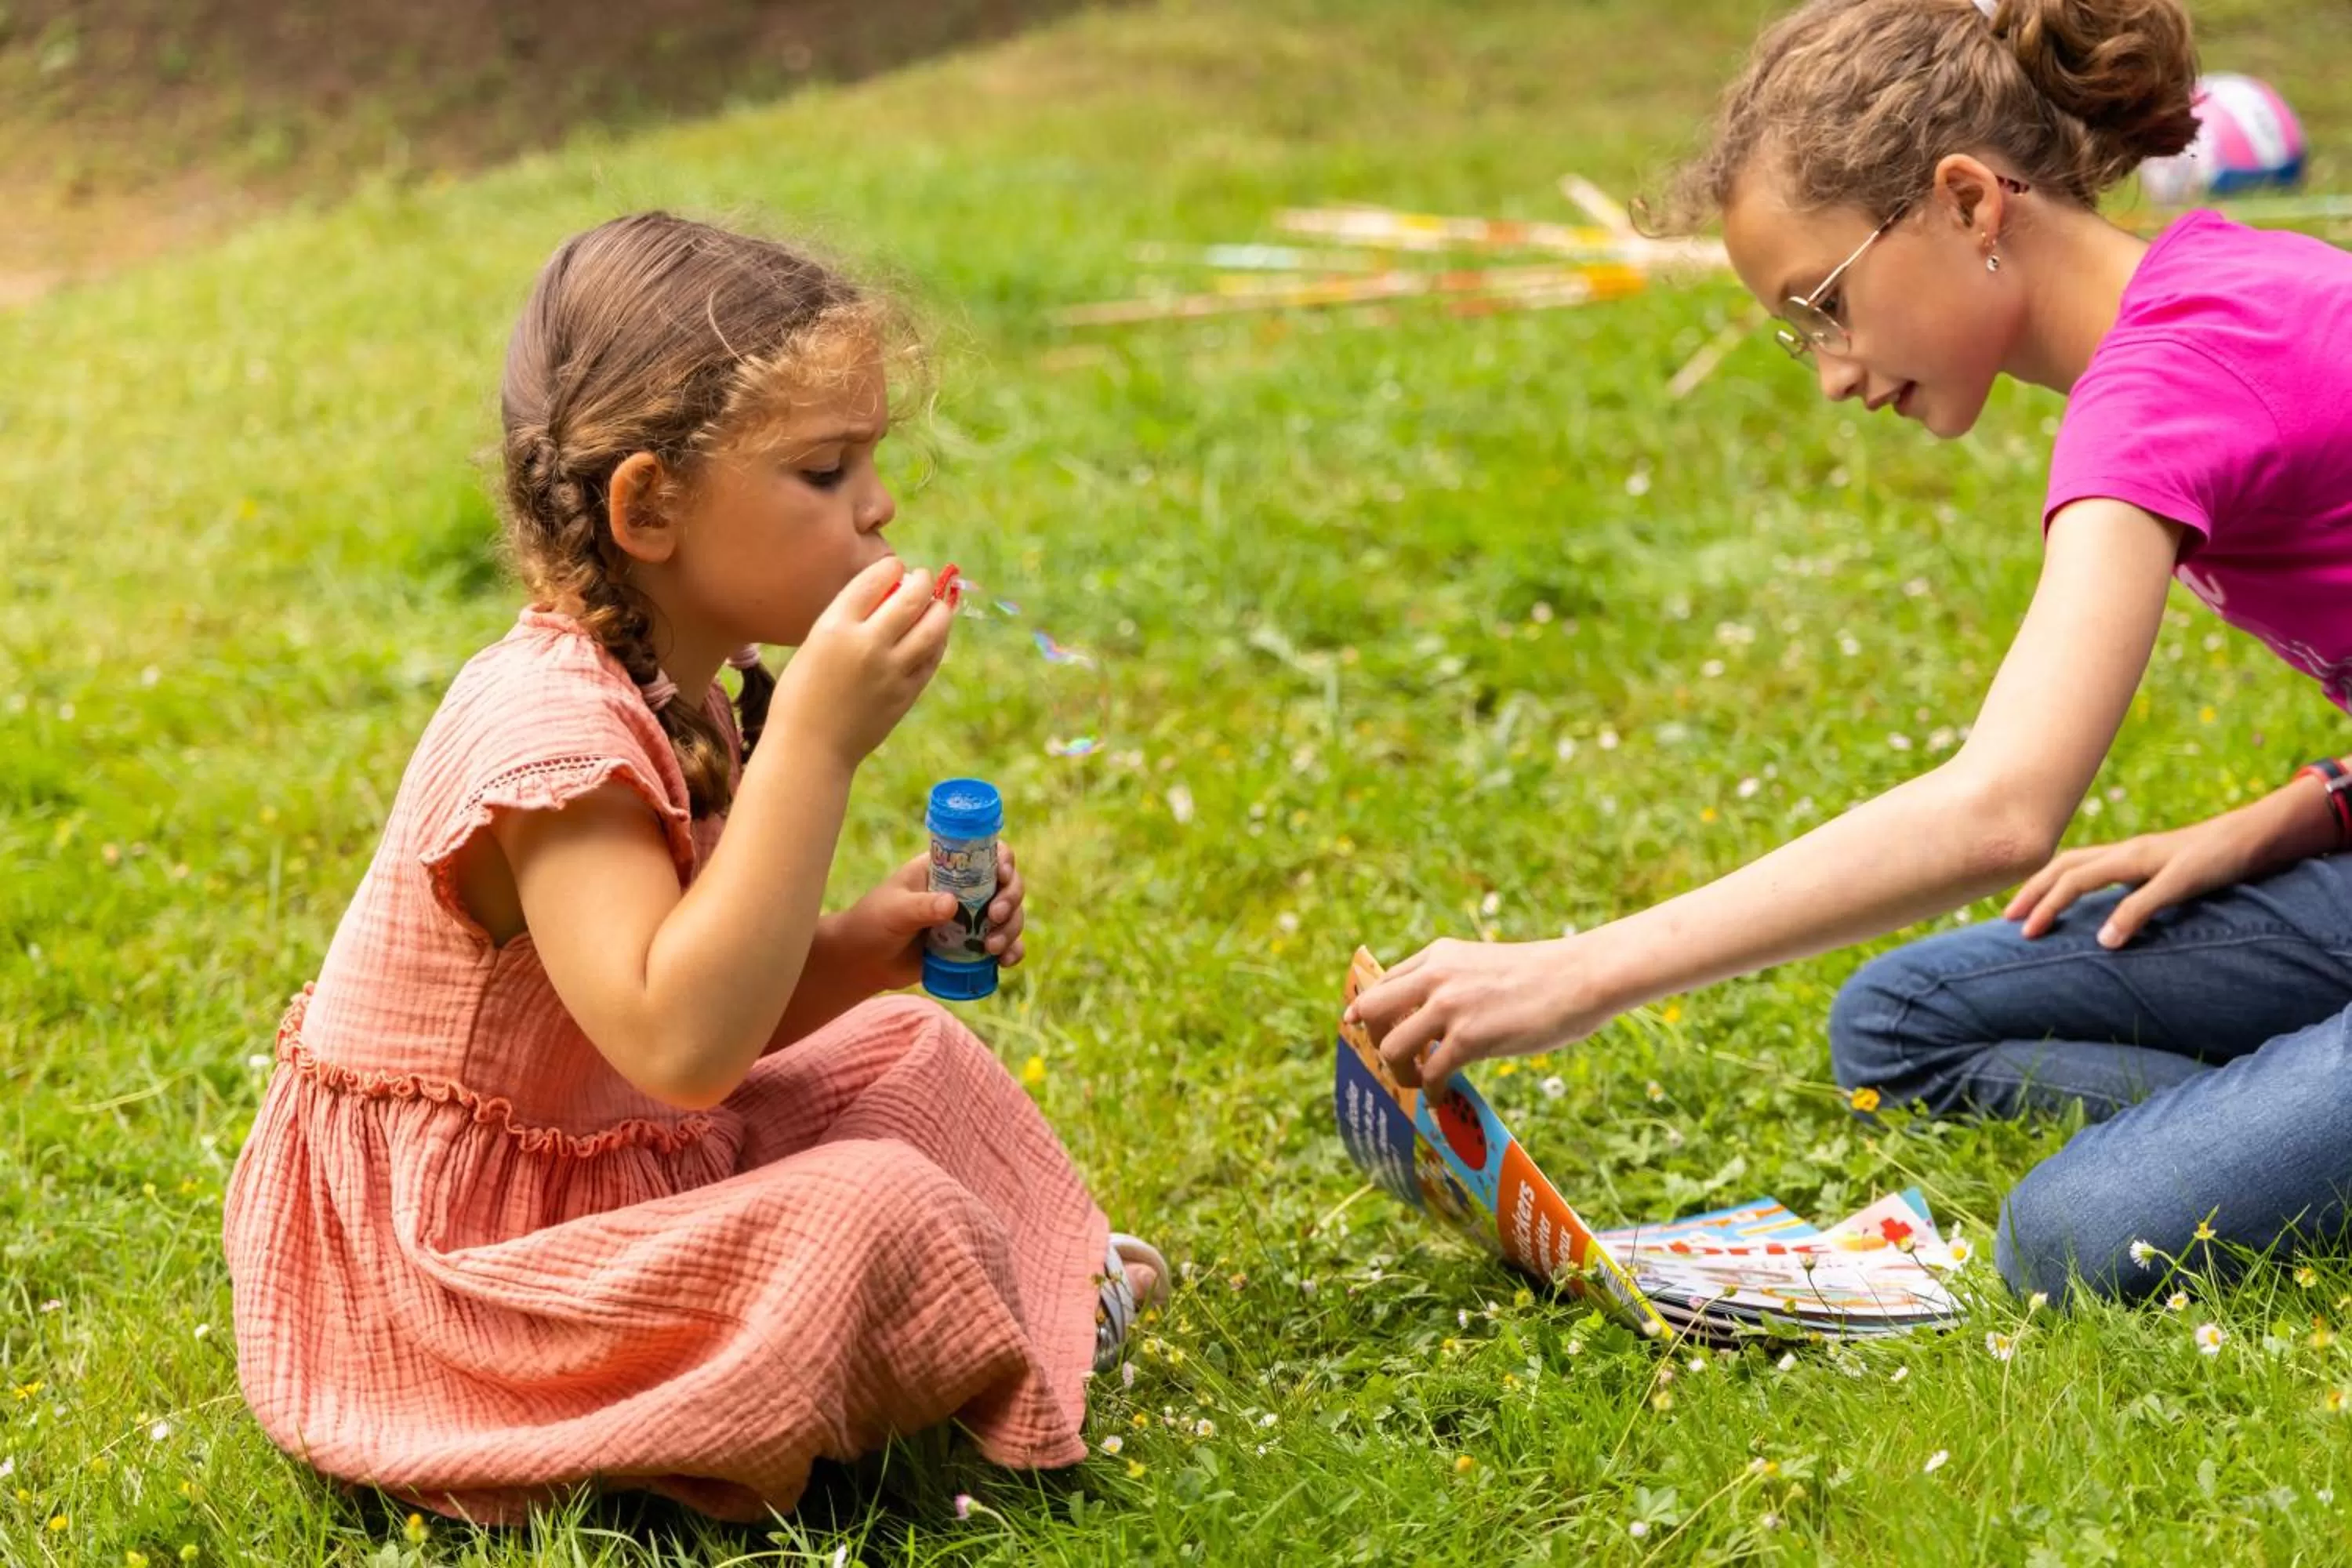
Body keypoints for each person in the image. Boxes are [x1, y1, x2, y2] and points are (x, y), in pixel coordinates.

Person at [1347, 0, 2352, 1306]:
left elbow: (2001, 812)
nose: (1829, 372)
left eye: (1823, 305)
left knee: (2071, 1238)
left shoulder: (2164, 389)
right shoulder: (2218, 282)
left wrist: (1582, 971)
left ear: (1969, 202)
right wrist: (2311, 807)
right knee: (1896, 1025)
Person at [223, 212, 1164, 1523]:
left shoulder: (678, 689)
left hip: (595, 1161)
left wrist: (861, 952)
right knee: (874, 1212)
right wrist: (817, 746)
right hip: (468, 1277)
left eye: (872, 462)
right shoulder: (553, 743)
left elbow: (690, 1013)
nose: (880, 507)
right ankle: (923, 1327)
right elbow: (677, 1044)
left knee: (910, 1049)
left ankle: (1031, 1287)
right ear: (649, 507)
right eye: (825, 470)